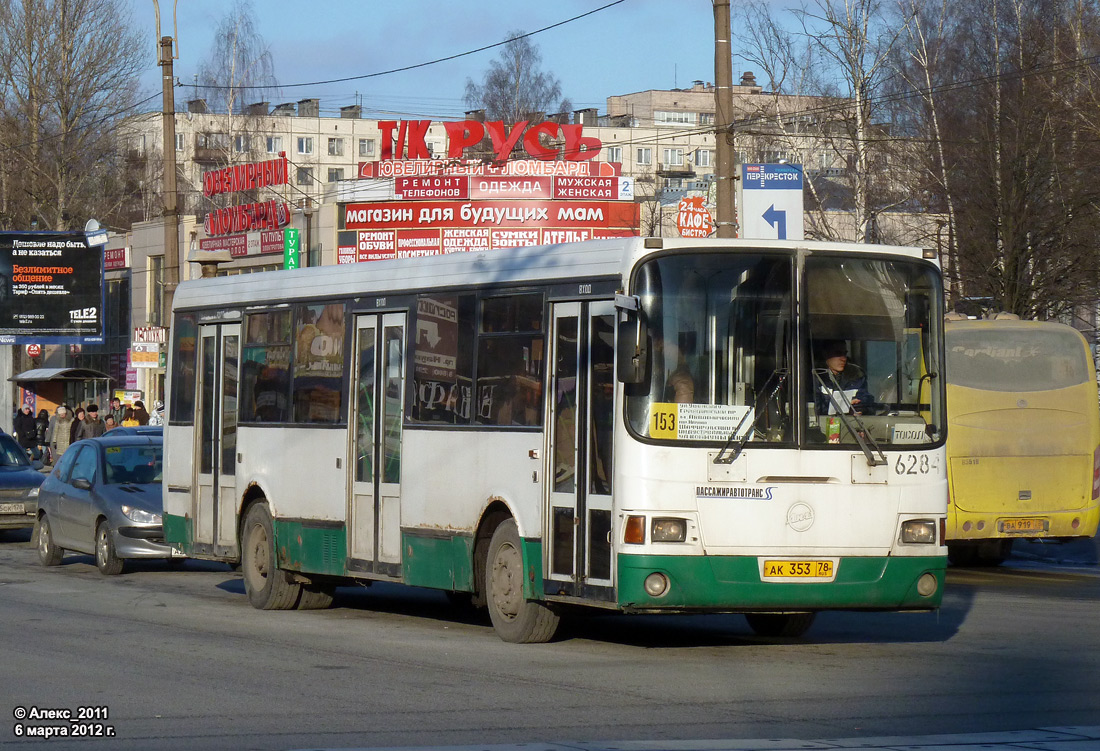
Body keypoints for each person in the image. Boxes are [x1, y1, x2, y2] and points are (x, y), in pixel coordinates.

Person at [814, 340, 875, 415]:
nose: (843, 359)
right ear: (825, 354)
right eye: (838, 354)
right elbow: (813, 408)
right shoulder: (815, 377)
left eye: (845, 354)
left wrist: (860, 408)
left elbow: (867, 403)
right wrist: (844, 408)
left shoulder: (856, 375)